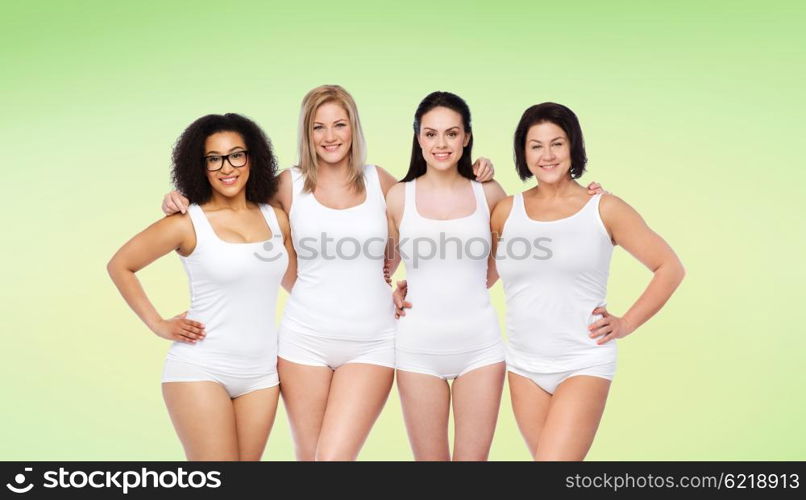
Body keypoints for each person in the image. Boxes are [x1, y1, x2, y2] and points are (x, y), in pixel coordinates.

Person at [161, 85, 495, 461]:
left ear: (354, 128)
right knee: (309, 458)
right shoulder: (288, 184)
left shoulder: (380, 181)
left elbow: (429, 208)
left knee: (333, 458)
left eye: (340, 124)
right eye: (319, 127)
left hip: (373, 342)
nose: (330, 136)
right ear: (307, 132)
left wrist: (476, 170)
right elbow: (235, 207)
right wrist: (183, 198)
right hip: (304, 340)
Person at [491, 102, 685, 460]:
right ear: (523, 152)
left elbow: (669, 267)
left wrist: (626, 323)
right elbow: (479, 276)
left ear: (573, 147)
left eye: (557, 143)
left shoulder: (603, 207)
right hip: (522, 365)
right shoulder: (505, 211)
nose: (547, 155)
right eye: (536, 145)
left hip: (582, 362)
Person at [107, 113, 296, 460]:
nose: (228, 167)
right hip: (201, 368)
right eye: (214, 159)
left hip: (262, 374)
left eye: (236, 154)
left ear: (252, 158)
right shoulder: (187, 222)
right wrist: (158, 324)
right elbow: (120, 265)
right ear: (201, 166)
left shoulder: (276, 218)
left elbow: (302, 286)